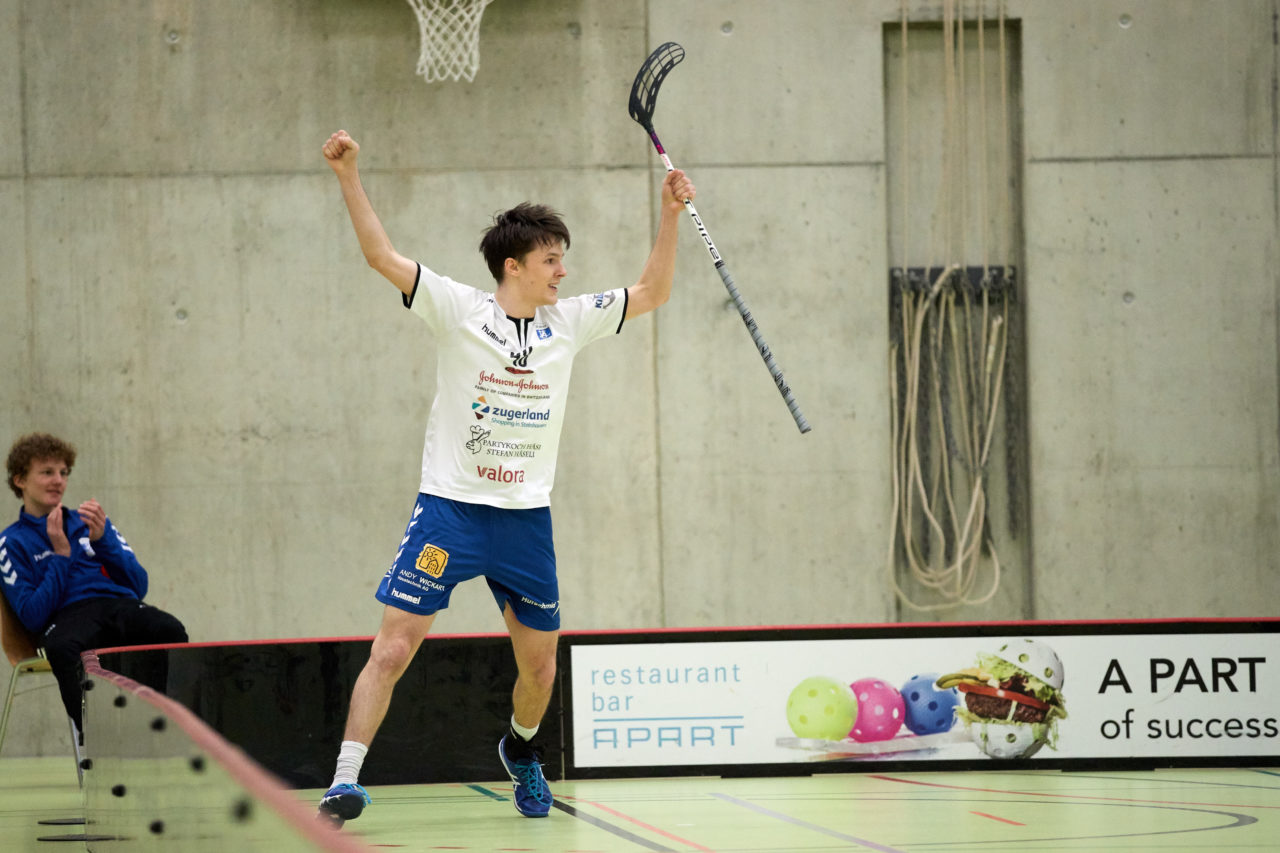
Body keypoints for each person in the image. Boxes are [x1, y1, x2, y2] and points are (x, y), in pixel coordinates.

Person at [316, 129, 694, 825]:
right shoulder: (459, 309)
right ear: (514, 265)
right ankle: (343, 780)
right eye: (553, 261)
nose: (563, 274)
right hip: (450, 512)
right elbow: (380, 256)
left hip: (525, 519)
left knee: (541, 671)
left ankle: (519, 750)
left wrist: (670, 216)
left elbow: (654, 290)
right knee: (392, 645)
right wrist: (349, 174)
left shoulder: (571, 322)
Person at [0, 432, 188, 735]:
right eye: (47, 472)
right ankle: (99, 741)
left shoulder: (92, 521)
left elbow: (139, 585)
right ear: (20, 480)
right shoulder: (11, 542)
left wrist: (103, 541)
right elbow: (32, 617)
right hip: (68, 615)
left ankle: (159, 731)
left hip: (119, 604)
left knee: (169, 630)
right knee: (63, 647)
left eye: (63, 473)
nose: (58, 481)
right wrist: (61, 556)